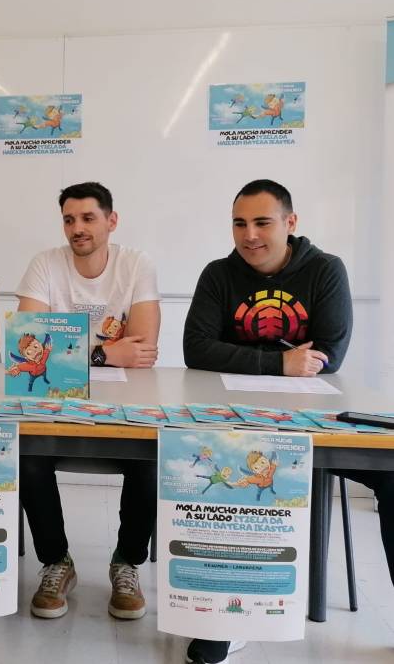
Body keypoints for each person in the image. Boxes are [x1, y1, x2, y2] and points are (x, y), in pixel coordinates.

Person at [182, 178, 394, 664]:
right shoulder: (218, 274)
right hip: (236, 423)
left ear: (290, 222)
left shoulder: (325, 270)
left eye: (262, 222)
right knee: (216, 470)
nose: (250, 235)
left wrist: (242, 356)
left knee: (392, 474)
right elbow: (196, 348)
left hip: (312, 421)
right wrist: (279, 362)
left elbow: (328, 355)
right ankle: (225, 618)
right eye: (239, 224)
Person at [14, 181, 161, 620]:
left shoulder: (136, 264)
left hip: (124, 405)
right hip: (57, 405)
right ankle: (56, 562)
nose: (77, 228)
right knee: (28, 455)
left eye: (88, 218)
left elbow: (143, 350)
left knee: (151, 461)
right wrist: (104, 354)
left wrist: (67, 353)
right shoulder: (45, 264)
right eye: (69, 219)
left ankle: (127, 562)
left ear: (111, 221)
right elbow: (26, 344)